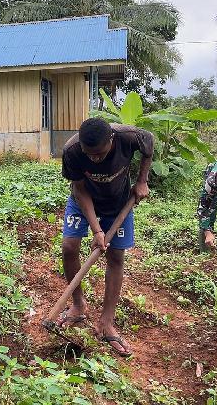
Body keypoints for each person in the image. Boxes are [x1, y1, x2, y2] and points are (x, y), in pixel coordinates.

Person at [42, 118, 154, 357]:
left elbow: (149, 142)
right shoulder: (72, 150)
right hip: (83, 202)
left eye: (100, 154)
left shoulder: (128, 136)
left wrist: (142, 181)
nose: (94, 159)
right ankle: (78, 305)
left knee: (116, 256)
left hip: (118, 202)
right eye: (89, 154)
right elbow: (80, 189)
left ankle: (106, 322)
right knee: (69, 246)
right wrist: (96, 230)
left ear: (111, 140)